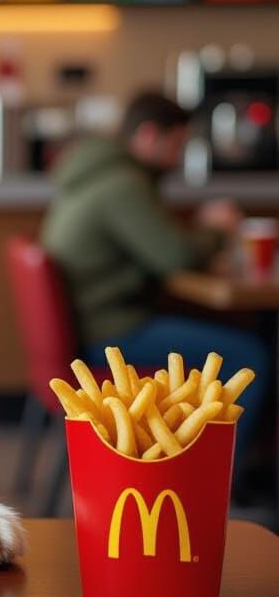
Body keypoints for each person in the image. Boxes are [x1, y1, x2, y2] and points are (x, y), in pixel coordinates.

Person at [41, 91, 268, 463]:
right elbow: (172, 256)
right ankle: (222, 475)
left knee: (232, 333)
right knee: (249, 356)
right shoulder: (123, 184)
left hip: (91, 324)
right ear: (149, 136)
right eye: (177, 144)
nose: (179, 158)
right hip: (112, 333)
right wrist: (215, 229)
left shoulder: (95, 172)